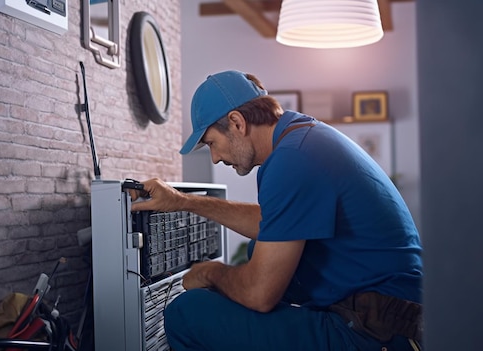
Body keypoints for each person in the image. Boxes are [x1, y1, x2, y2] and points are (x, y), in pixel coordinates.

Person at [130, 70, 423, 351]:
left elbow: (259, 295)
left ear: (236, 123)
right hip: (383, 318)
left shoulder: (292, 161)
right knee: (259, 247)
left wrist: (211, 273)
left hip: (375, 333)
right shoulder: (302, 139)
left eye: (212, 144)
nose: (216, 158)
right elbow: (273, 222)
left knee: (186, 314)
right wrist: (182, 200)